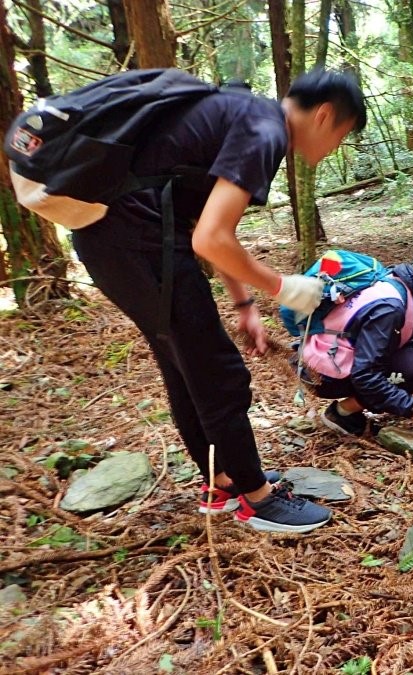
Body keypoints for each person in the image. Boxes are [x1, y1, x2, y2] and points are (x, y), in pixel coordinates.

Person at [70, 68, 366, 534]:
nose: (334, 149)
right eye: (342, 136)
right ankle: (257, 499)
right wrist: (284, 287)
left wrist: (244, 304)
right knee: (217, 372)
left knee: (186, 366)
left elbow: (204, 224)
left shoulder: (248, 115)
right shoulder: (267, 130)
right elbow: (211, 239)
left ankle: (221, 483)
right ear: (325, 116)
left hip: (115, 240)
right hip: (137, 240)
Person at [295, 241, 413, 451]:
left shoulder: (404, 286)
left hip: (329, 359)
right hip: (324, 374)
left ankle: (349, 408)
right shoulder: (390, 308)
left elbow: (397, 351)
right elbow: (366, 376)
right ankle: (341, 413)